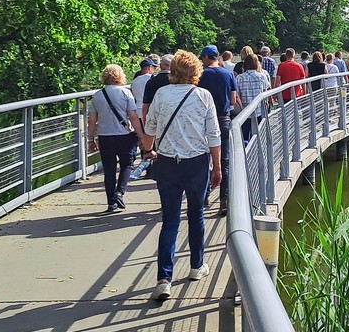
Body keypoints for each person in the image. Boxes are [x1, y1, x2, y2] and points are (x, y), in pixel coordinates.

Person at [143, 50, 221, 302]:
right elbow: (214, 136)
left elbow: (149, 129)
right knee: (196, 214)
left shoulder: (161, 94)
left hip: (167, 163)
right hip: (196, 162)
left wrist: (149, 150)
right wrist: (217, 167)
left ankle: (163, 279)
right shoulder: (203, 96)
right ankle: (197, 266)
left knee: (170, 220)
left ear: (173, 70)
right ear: (196, 71)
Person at [86, 65, 145, 213]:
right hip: (125, 136)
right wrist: (141, 136)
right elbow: (133, 117)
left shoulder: (98, 95)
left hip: (105, 137)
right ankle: (120, 192)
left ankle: (111, 202)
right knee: (127, 165)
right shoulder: (125, 93)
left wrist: (90, 139)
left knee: (109, 170)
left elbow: (92, 120)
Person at [197, 45, 240, 215]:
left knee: (203, 159)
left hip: (202, 122)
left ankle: (205, 195)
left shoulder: (200, 75)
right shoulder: (227, 74)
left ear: (208, 57)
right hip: (223, 119)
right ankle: (224, 200)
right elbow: (233, 98)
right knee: (225, 161)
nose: (201, 60)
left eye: (202, 58)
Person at [234, 51, 271, 143]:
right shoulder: (262, 76)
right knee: (258, 134)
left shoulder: (239, 77)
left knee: (244, 135)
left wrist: (241, 106)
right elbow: (266, 91)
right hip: (259, 110)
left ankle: (246, 148)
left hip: (245, 111)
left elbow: (237, 94)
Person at [142, 53, 174, 121]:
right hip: (172, 119)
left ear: (160, 65)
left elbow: (145, 107)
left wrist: (145, 126)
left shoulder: (151, 82)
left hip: (155, 119)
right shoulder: (177, 82)